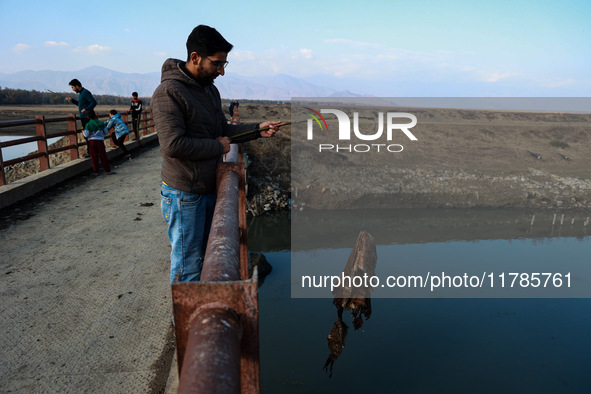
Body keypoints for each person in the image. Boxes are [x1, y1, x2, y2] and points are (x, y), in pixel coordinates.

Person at [152, 25, 280, 284]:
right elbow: (173, 145)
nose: (221, 71)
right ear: (196, 57)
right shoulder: (168, 93)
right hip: (184, 192)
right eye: (217, 63)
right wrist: (217, 147)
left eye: (225, 64)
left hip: (208, 186)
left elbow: (222, 130)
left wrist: (257, 130)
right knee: (188, 266)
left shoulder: (209, 89)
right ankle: (185, 323)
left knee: (205, 258)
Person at [66, 79, 96, 157]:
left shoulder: (85, 92)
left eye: (72, 87)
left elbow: (94, 102)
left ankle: (90, 153)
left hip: (87, 117)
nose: (72, 89)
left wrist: (86, 109)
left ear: (77, 86)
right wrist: (72, 101)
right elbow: (81, 104)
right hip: (84, 117)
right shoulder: (81, 94)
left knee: (89, 136)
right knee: (87, 136)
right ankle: (91, 152)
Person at [83, 109, 113, 176]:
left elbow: (86, 135)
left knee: (94, 156)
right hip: (100, 141)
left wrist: (83, 132)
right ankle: (108, 170)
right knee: (103, 155)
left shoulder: (88, 124)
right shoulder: (101, 123)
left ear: (88, 117)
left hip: (92, 142)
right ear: (95, 115)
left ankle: (96, 171)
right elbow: (106, 132)